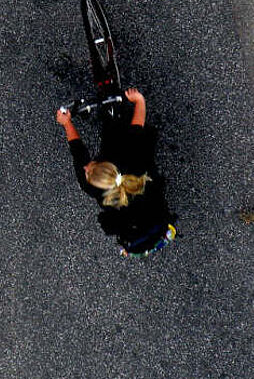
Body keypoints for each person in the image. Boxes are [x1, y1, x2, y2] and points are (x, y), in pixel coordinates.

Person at [56, 87, 176, 256]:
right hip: (125, 157)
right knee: (130, 139)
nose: (85, 168)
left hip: (145, 209)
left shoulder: (96, 183)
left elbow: (79, 152)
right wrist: (139, 100)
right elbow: (137, 127)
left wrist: (67, 124)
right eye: (90, 169)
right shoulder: (127, 160)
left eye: (87, 171)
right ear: (107, 165)